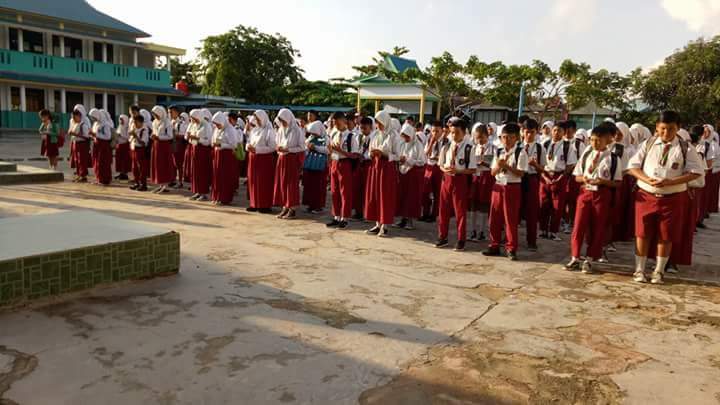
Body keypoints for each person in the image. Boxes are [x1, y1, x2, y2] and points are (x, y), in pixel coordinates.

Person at [628, 111, 704, 284]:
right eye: (662, 128)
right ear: (656, 127)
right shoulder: (648, 143)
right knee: (642, 233)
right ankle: (639, 270)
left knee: (666, 235)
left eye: (671, 129)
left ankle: (659, 271)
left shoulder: (685, 148)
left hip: (672, 197)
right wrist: (647, 179)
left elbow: (696, 172)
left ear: (678, 128)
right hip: (646, 194)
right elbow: (633, 166)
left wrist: (671, 181)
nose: (666, 133)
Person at [565, 124, 622, 274]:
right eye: (592, 140)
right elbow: (576, 176)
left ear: (607, 140)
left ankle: (590, 258)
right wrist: (583, 178)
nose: (595, 143)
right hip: (585, 192)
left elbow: (618, 182)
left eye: (599, 140)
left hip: (602, 194)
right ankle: (575, 257)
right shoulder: (586, 155)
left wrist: (603, 182)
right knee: (578, 226)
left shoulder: (613, 158)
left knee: (598, 227)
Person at [483, 123, 529, 260]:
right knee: (494, 217)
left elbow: (521, 173)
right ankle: (494, 244)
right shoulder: (498, 151)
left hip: (512, 186)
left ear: (516, 138)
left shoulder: (520, 152)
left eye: (510, 137)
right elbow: (492, 172)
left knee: (510, 219)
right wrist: (499, 166)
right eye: (504, 137)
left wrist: (507, 166)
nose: (506, 140)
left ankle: (511, 247)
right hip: (498, 184)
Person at [435, 117, 476, 251]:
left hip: (460, 179)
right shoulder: (446, 146)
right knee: (443, 209)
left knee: (460, 211)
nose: (454, 135)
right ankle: (443, 236)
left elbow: (472, 169)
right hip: (446, 178)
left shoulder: (469, 148)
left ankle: (460, 239)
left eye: (457, 132)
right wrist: (444, 169)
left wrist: (458, 170)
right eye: (452, 132)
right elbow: (440, 164)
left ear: (464, 132)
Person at [365, 110, 400, 237]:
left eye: (380, 122)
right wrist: (372, 153)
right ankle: (377, 223)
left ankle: (385, 225)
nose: (378, 125)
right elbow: (369, 150)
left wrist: (384, 154)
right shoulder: (375, 134)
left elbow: (398, 155)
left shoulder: (394, 135)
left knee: (385, 195)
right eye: (377, 122)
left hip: (387, 167)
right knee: (375, 194)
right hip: (375, 165)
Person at [539, 121, 576, 241]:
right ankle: (543, 229)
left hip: (559, 175)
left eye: (559, 131)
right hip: (545, 175)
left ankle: (553, 231)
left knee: (557, 205)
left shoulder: (567, 146)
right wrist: (543, 175)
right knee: (544, 203)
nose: (556, 133)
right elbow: (540, 162)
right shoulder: (545, 144)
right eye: (554, 130)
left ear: (563, 133)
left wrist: (562, 176)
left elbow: (570, 164)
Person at [326, 112, 359, 229]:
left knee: (344, 192)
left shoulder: (351, 137)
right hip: (334, 163)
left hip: (345, 164)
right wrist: (330, 150)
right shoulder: (334, 134)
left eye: (337, 122)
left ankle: (345, 218)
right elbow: (331, 150)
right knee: (334, 191)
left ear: (343, 121)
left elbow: (355, 155)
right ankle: (336, 216)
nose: (335, 125)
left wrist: (341, 151)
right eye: (334, 123)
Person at [272, 108, 306, 218]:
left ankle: (292, 208)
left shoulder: (297, 130)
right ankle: (285, 206)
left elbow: (301, 147)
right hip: (282, 158)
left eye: (283, 120)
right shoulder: (281, 129)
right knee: (282, 182)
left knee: (291, 184)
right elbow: (277, 142)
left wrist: (288, 150)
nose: (282, 123)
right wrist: (278, 148)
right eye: (280, 120)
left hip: (291, 159)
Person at [395, 122, 427, 230]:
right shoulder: (402, 144)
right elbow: (398, 155)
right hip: (403, 172)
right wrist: (400, 159)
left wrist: (408, 160)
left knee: (411, 197)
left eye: (407, 136)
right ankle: (403, 219)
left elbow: (422, 161)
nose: (406, 138)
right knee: (402, 196)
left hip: (413, 174)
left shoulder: (418, 145)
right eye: (404, 136)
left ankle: (410, 221)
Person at [520, 119, 544, 250]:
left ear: (537, 132)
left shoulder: (540, 148)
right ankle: (509, 238)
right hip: (517, 178)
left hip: (532, 179)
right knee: (513, 210)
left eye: (532, 132)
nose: (529, 135)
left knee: (532, 212)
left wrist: (535, 165)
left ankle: (531, 241)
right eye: (527, 132)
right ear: (522, 132)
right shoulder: (517, 146)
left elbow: (543, 169)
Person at [246, 110, 277, 213]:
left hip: (264, 160)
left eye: (258, 119)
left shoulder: (269, 131)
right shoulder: (255, 130)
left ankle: (264, 204)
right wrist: (248, 147)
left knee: (263, 182)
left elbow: (272, 147)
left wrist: (257, 150)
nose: (257, 121)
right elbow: (249, 141)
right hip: (253, 158)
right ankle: (254, 203)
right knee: (253, 181)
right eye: (256, 119)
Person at [469, 123, 496, 241]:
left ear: (486, 136)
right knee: (474, 204)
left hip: (486, 176)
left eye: (481, 137)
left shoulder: (493, 148)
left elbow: (495, 165)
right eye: (476, 138)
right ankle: (472, 230)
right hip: (476, 176)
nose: (479, 140)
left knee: (484, 204)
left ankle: (482, 231)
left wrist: (485, 163)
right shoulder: (474, 148)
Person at [421, 120, 448, 222]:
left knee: (437, 192)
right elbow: (426, 153)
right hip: (429, 165)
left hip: (439, 167)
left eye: (437, 131)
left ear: (442, 131)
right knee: (425, 191)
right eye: (433, 131)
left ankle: (434, 214)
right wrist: (431, 143)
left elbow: (445, 157)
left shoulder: (446, 141)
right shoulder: (429, 139)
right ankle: (425, 212)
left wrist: (438, 158)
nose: (435, 133)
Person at [210, 112, 239, 205]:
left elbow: (234, 145)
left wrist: (221, 144)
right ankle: (217, 196)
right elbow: (212, 140)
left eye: (218, 124)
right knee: (217, 176)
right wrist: (214, 144)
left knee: (225, 177)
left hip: (226, 156)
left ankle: (224, 198)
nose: (217, 126)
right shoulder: (217, 129)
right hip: (217, 154)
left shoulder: (230, 129)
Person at [302, 120, 329, 214]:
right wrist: (308, 147)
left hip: (320, 164)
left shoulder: (324, 138)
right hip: (310, 164)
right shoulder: (310, 137)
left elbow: (327, 150)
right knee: (309, 186)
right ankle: (310, 204)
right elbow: (304, 147)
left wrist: (316, 148)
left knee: (319, 186)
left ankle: (318, 206)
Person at [562, 120, 584, 234]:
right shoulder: (559, 142)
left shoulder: (579, 144)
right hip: (561, 174)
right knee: (561, 199)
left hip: (573, 175)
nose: (566, 132)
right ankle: (564, 220)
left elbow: (582, 160)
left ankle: (570, 221)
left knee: (572, 200)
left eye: (569, 130)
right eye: (564, 130)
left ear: (574, 130)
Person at [188, 109, 212, 202]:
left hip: (203, 151)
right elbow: (190, 138)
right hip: (195, 150)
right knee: (195, 171)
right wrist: (192, 139)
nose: (193, 120)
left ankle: (204, 193)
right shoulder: (194, 125)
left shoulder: (206, 126)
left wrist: (198, 139)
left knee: (202, 172)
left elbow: (209, 141)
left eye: (194, 118)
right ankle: (197, 191)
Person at [149, 106, 175, 193]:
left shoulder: (167, 122)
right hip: (156, 145)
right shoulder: (154, 122)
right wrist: (153, 136)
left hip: (164, 146)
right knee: (157, 165)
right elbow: (154, 132)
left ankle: (165, 185)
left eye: (156, 114)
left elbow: (170, 136)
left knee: (164, 164)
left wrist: (159, 137)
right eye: (153, 114)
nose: (155, 116)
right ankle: (160, 184)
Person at [353, 117, 374, 220]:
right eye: (361, 128)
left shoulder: (374, 138)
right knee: (358, 189)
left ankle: (367, 212)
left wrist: (364, 156)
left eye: (365, 128)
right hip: (360, 164)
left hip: (369, 165)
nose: (362, 130)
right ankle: (358, 211)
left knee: (367, 189)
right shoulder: (360, 137)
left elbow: (373, 153)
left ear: (371, 127)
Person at [88, 108, 112, 186]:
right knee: (96, 162)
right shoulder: (96, 124)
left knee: (103, 162)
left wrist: (96, 135)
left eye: (93, 117)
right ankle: (99, 178)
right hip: (97, 145)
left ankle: (104, 179)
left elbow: (108, 137)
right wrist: (92, 135)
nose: (93, 119)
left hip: (103, 146)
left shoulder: (105, 124)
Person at [68, 105, 91, 183]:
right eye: (73, 117)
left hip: (82, 144)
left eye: (75, 117)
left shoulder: (83, 124)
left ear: (79, 116)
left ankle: (83, 175)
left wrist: (75, 134)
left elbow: (87, 136)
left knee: (82, 160)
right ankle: (79, 174)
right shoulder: (75, 123)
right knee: (77, 160)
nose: (74, 119)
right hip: (76, 143)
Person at [129, 113, 149, 191]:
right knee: (135, 168)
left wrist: (135, 136)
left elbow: (143, 142)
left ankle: (143, 184)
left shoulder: (144, 130)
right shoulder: (135, 129)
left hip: (141, 150)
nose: (134, 124)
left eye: (136, 122)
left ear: (141, 122)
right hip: (134, 149)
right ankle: (137, 182)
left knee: (141, 168)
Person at [169, 106, 188, 189]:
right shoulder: (171, 122)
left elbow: (184, 135)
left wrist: (175, 134)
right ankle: (173, 180)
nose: (169, 114)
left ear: (176, 112)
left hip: (178, 144)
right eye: (169, 112)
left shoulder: (181, 123)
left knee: (179, 164)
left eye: (171, 112)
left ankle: (180, 181)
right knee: (173, 163)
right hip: (172, 143)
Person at [114, 114, 131, 180]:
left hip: (125, 145)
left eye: (122, 119)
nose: (121, 121)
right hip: (119, 145)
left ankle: (125, 174)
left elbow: (128, 137)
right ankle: (121, 173)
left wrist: (121, 135)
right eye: (120, 119)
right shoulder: (119, 126)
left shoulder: (127, 127)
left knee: (124, 160)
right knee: (119, 160)